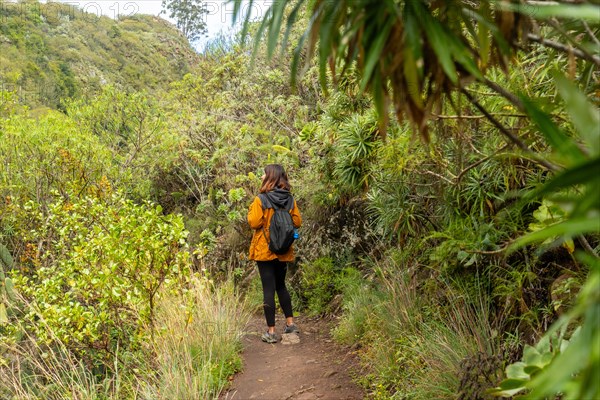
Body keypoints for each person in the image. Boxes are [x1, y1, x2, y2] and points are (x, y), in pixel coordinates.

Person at [248, 164, 302, 343]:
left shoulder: (260, 200)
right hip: (283, 250)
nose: (262, 176)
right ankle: (290, 324)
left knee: (268, 289)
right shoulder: (290, 200)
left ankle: (271, 332)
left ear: (271, 177)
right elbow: (297, 221)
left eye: (264, 174)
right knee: (281, 286)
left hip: (265, 250)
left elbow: (254, 222)